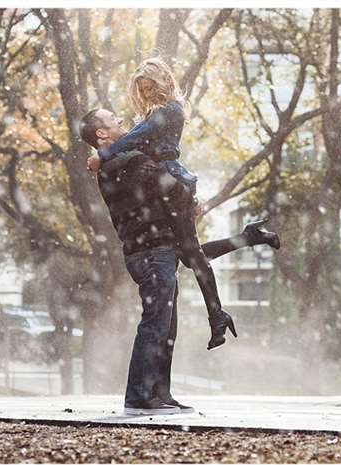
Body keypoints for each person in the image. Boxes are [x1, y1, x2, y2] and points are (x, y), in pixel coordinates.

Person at [79, 108, 279, 415]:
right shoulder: (125, 161)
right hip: (150, 253)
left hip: (155, 250)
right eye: (113, 119)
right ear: (102, 134)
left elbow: (169, 203)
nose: (121, 120)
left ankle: (160, 394)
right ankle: (138, 397)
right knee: (155, 324)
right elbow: (165, 184)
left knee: (166, 326)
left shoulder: (122, 160)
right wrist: (188, 195)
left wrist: (187, 199)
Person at [86, 57, 278, 349]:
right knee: (190, 255)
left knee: (193, 255)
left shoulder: (170, 110)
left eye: (150, 88)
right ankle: (246, 243)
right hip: (168, 185)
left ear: (162, 82)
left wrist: (104, 153)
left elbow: (136, 138)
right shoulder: (154, 115)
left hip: (172, 182)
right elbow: (139, 141)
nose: (148, 95)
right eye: (143, 91)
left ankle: (218, 315)